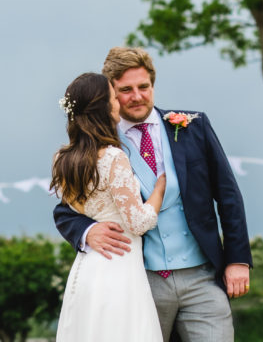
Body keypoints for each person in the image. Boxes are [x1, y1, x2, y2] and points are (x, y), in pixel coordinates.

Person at [54, 47, 252, 342]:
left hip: (202, 277)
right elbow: (66, 210)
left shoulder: (193, 126)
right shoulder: (97, 147)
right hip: (141, 282)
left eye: (143, 87)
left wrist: (238, 260)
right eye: (126, 90)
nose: (137, 96)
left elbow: (228, 195)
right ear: (111, 92)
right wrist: (88, 230)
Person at [51, 71, 167, 342]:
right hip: (119, 264)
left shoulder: (63, 158)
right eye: (114, 97)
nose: (119, 103)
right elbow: (137, 223)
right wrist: (158, 193)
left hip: (87, 267)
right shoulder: (114, 157)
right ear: (103, 107)